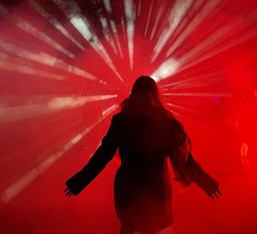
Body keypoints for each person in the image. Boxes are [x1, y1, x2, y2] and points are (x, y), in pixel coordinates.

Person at [65, 76, 221, 234]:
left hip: (129, 188)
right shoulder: (165, 122)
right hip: (156, 189)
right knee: (150, 228)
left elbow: (102, 156)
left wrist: (79, 181)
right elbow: (185, 158)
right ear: (155, 94)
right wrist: (207, 183)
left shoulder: (122, 121)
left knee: (130, 227)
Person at [234, 90, 257, 175]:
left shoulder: (244, 106)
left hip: (251, 132)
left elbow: (240, 120)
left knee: (254, 153)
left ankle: (255, 171)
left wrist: (241, 132)